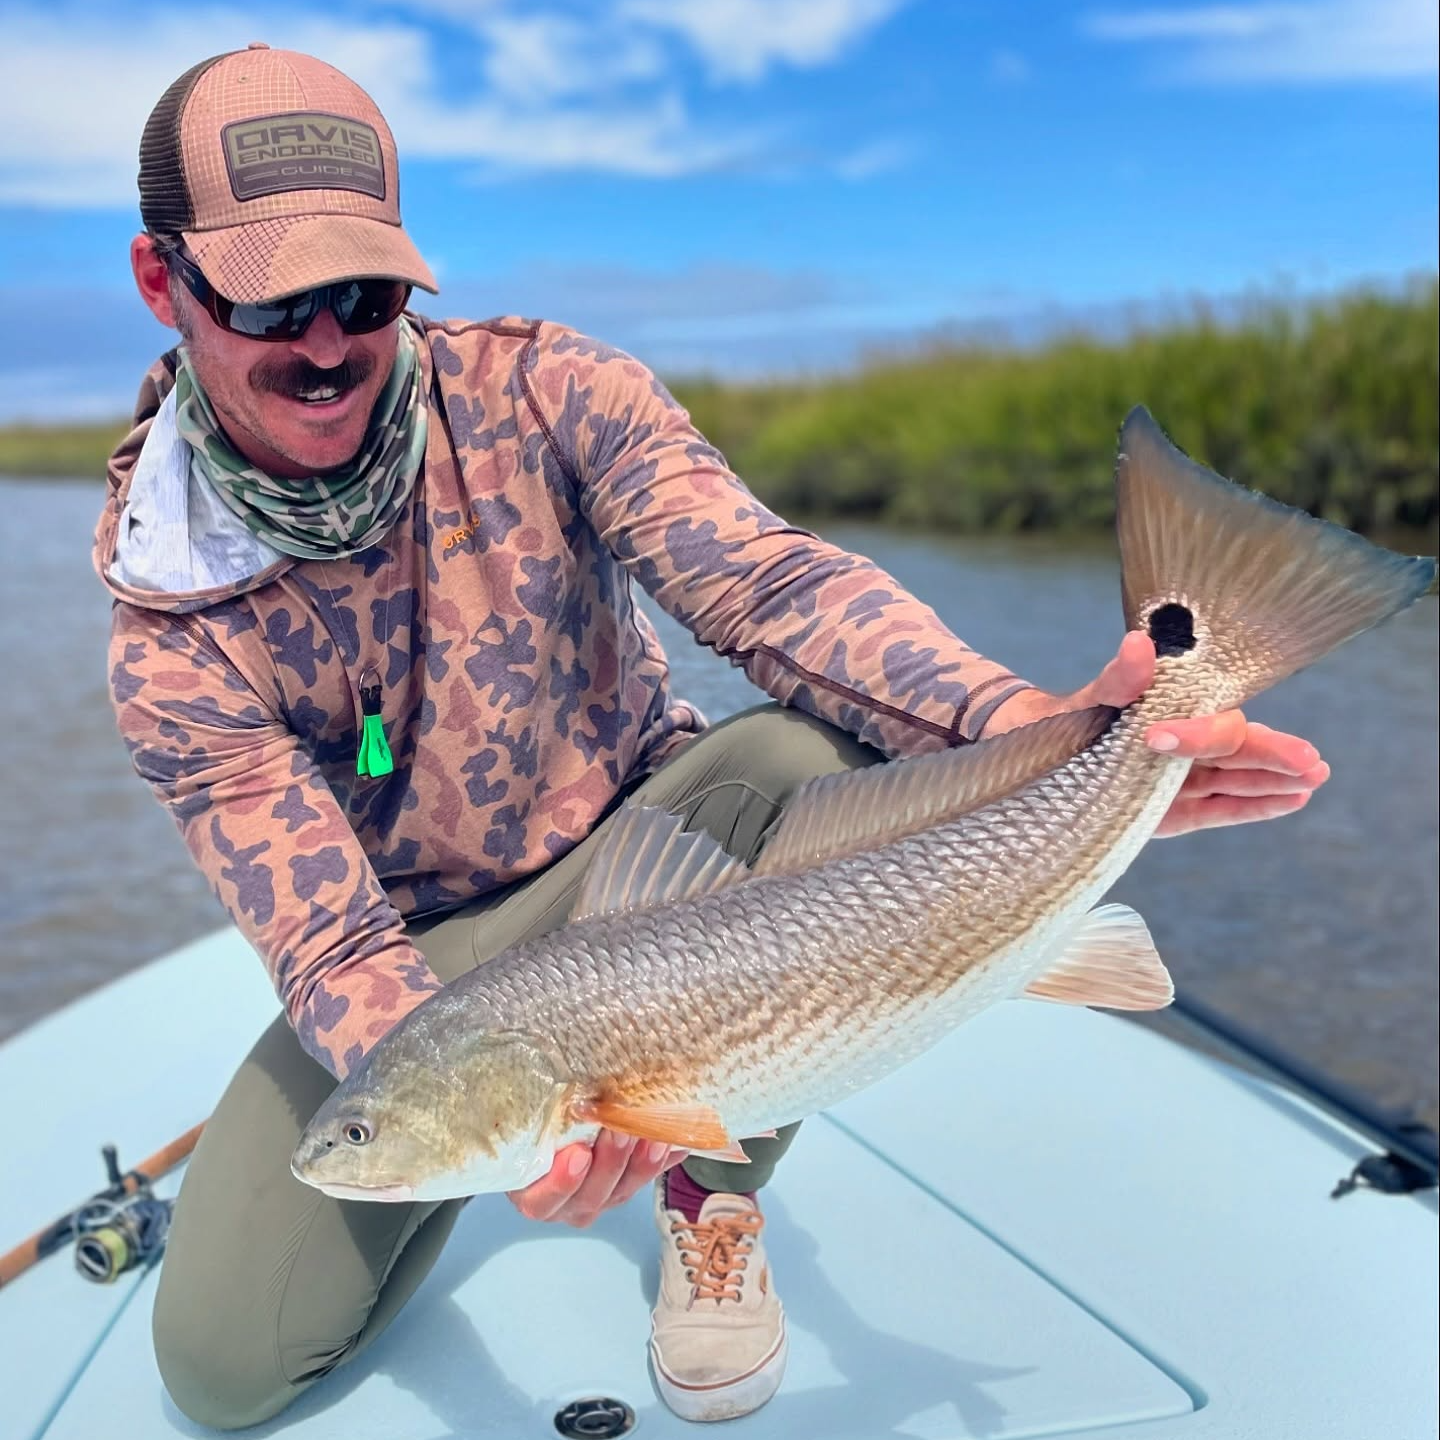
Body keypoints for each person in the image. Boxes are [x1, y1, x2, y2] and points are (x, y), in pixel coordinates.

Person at [96, 45, 1331, 1430]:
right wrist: (482, 1123)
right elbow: (327, 942)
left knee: (805, 755)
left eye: (363, 293)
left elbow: (770, 588)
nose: (324, 343)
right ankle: (493, 1145)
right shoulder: (167, 625)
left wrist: (1039, 734)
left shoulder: (549, 391)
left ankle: (709, 1199)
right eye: (270, 299)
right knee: (221, 1364)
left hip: (655, 866)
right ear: (166, 281)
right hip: (424, 958)